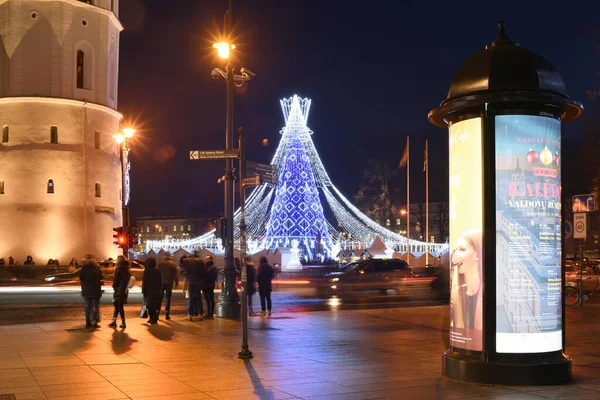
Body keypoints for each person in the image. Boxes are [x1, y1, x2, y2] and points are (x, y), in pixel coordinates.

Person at [450, 229, 483, 350]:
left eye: (462, 250)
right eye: (456, 250)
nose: (457, 255)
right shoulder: (456, 289)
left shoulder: (487, 288)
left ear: (477, 255)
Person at [79, 254, 102, 329]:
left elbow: (81, 278)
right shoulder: (97, 269)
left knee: (87, 307)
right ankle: (94, 321)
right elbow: (100, 278)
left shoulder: (82, 269)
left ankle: (87, 321)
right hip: (95, 290)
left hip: (86, 290)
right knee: (95, 306)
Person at [109, 257, 131, 329]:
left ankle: (122, 322)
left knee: (117, 306)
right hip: (124, 290)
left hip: (118, 289)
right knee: (119, 306)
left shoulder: (118, 270)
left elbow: (116, 280)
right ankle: (116, 321)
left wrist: (114, 286)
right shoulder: (127, 270)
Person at [182, 252, 204, 321]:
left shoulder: (187, 261)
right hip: (198, 281)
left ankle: (189, 315)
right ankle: (200, 314)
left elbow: (183, 270)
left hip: (190, 281)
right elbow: (203, 271)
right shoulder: (201, 261)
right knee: (198, 298)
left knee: (190, 298)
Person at [158, 252, 179, 320]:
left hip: (161, 283)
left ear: (164, 256)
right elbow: (175, 275)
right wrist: (176, 282)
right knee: (168, 299)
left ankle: (157, 313)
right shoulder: (173, 264)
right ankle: (167, 314)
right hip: (169, 283)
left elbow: (157, 273)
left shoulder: (160, 263)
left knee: (159, 299)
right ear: (170, 256)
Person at [142, 257, 162, 324]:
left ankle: (151, 318)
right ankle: (155, 318)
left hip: (148, 290)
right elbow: (160, 281)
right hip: (156, 290)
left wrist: (143, 290)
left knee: (149, 305)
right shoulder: (158, 271)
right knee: (155, 304)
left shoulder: (147, 271)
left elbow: (145, 281)